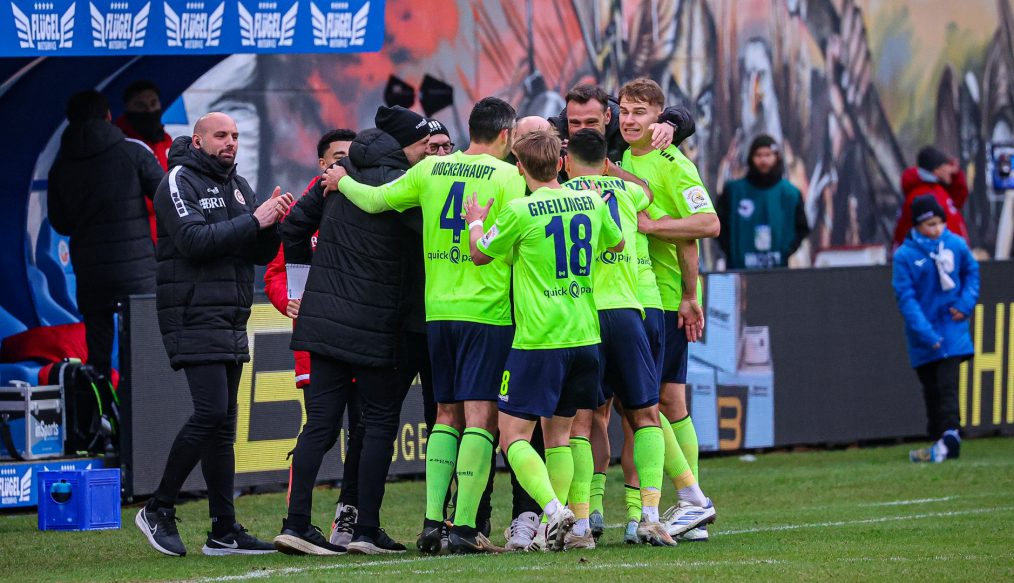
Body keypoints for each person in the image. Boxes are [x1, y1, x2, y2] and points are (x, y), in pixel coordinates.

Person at [326, 97, 524, 554]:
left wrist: (343, 180)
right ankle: (464, 529)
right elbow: (512, 241)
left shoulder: (433, 169)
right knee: (481, 419)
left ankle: (433, 524)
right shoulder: (510, 177)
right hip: (487, 312)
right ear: (505, 135)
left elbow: (376, 201)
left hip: (438, 313)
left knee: (445, 415)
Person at [275, 105, 431, 556]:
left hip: (322, 320)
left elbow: (292, 228)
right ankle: (365, 531)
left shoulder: (340, 173)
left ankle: (296, 524)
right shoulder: (408, 184)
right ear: (403, 146)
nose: (430, 152)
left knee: (320, 425)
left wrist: (306, 288)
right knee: (379, 424)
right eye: (423, 144)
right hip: (379, 325)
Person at [136, 112, 293, 557]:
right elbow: (192, 241)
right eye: (221, 135)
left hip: (230, 315)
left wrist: (272, 222)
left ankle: (223, 530)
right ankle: (158, 507)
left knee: (223, 425)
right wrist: (253, 221)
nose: (230, 143)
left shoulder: (239, 186)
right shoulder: (178, 179)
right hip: (192, 312)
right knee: (210, 413)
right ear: (199, 139)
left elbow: (257, 249)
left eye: (236, 136)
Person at [465, 129, 624, 552]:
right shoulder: (590, 199)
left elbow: (480, 253)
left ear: (520, 169)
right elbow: (618, 241)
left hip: (540, 340)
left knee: (512, 436)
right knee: (562, 436)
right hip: (585, 337)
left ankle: (555, 512)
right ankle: (578, 530)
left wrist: (475, 220)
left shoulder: (520, 209)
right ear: (559, 163)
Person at [560, 128, 679, 548]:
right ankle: (648, 515)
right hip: (629, 314)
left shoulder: (563, 194)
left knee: (583, 419)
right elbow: (646, 189)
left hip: (584, 317)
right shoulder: (627, 193)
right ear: (608, 160)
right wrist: (615, 174)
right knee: (644, 415)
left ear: (566, 161)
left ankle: (580, 523)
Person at [620, 78, 720, 542]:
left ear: (658, 117)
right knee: (664, 401)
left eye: (640, 111)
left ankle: (688, 503)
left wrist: (686, 292)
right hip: (643, 295)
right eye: (624, 109)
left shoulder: (672, 161)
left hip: (660, 299)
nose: (628, 119)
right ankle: (687, 509)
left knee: (655, 403)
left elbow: (707, 224)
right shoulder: (622, 157)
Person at [262, 128, 361, 548]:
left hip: (363, 339)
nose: (343, 165)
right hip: (317, 344)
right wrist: (290, 303)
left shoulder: (366, 200)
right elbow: (275, 274)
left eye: (351, 159)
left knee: (365, 432)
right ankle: (296, 520)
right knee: (320, 429)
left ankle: (348, 520)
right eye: (337, 157)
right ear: (322, 164)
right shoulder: (303, 209)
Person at [48, 90, 164, 381]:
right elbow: (166, 198)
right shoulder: (133, 151)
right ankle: (146, 420)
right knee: (146, 349)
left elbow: (60, 223)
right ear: (109, 115)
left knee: (98, 355)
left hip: (90, 272)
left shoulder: (61, 167)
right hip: (137, 271)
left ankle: (102, 419)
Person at [892, 195, 979, 463]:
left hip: (952, 329)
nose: (937, 229)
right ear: (917, 225)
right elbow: (906, 299)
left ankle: (952, 435)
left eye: (940, 222)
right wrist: (927, 333)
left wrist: (965, 305)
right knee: (932, 389)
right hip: (924, 337)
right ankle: (939, 439)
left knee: (948, 385)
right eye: (930, 224)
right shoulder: (905, 256)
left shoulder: (955, 244)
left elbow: (972, 272)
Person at [716, 134, 809, 269]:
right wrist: (732, 252)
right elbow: (718, 225)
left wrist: (785, 252)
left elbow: (802, 228)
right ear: (751, 158)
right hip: (739, 271)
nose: (763, 160)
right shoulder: (733, 191)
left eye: (768, 155)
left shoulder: (791, 194)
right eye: (758, 155)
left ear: (776, 157)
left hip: (778, 272)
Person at [114, 80, 174, 242]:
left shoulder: (166, 140)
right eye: (140, 105)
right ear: (128, 108)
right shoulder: (120, 144)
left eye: (153, 103)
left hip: (166, 237)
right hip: (133, 238)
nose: (149, 110)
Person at [892, 146, 970, 250]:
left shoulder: (937, 190)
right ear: (937, 170)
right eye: (947, 165)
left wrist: (956, 177)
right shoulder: (924, 195)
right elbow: (929, 235)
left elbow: (958, 199)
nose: (951, 170)